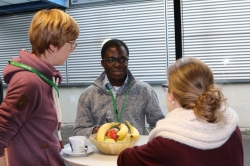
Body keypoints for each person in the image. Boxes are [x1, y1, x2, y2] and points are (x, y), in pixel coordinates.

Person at [117, 57, 243, 166]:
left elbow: (124, 159)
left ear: (173, 96)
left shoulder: (167, 144)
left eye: (166, 88)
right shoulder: (232, 128)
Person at [0, 9, 79, 166]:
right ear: (52, 46)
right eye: (71, 43)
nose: (72, 49)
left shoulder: (42, 78)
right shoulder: (29, 81)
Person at [73, 39, 165, 137]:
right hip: (101, 151)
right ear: (103, 63)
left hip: (134, 151)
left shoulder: (145, 91)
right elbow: (78, 131)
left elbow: (159, 125)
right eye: (111, 60)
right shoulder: (88, 95)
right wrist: (94, 131)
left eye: (122, 60)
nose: (117, 64)